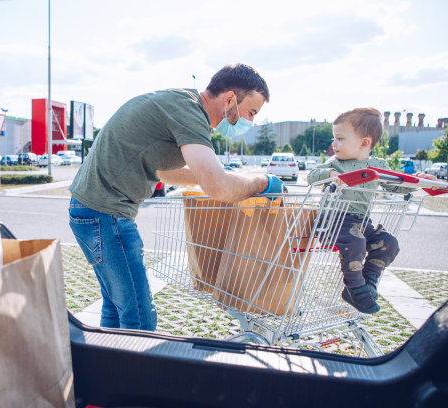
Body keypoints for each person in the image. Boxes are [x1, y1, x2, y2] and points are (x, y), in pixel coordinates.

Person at [68, 63, 285, 331]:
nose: (250, 121)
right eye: (251, 112)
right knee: (138, 317)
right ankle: (132, 371)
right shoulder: (190, 113)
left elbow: (162, 171)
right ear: (229, 99)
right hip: (106, 214)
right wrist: (262, 182)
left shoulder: (181, 101)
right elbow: (218, 188)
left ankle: (107, 367)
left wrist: (208, 172)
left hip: (92, 211)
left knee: (117, 307)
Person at [307, 108, 435, 314]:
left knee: (389, 243)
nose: (334, 144)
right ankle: (354, 288)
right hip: (333, 221)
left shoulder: (378, 165)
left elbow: (396, 186)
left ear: (365, 143)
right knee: (355, 242)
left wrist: (419, 181)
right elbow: (312, 175)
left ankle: (369, 279)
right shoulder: (336, 163)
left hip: (360, 222)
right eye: (334, 138)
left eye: (340, 138)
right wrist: (330, 174)